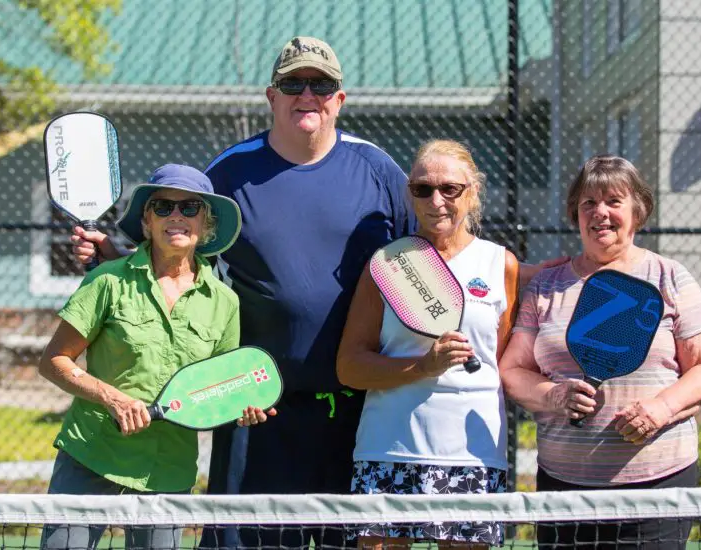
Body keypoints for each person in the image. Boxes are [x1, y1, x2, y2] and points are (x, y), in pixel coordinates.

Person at [69, 37, 564, 549]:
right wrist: (115, 257)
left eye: (322, 84)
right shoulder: (229, 173)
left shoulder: (379, 171)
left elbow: (440, 256)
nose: (308, 94)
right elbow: (176, 252)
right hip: (256, 413)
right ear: (271, 96)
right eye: (293, 83)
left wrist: (543, 275)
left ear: (340, 99)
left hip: (355, 417)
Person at [38, 164, 272, 550]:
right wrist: (113, 398)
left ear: (206, 225)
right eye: (162, 207)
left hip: (168, 469)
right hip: (92, 455)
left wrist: (241, 407)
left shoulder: (225, 303)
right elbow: (54, 362)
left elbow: (222, 386)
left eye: (189, 208)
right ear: (146, 222)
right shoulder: (107, 280)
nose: (176, 216)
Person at [499, 155, 701, 550]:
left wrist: (661, 409)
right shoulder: (547, 286)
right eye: (588, 202)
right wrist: (553, 395)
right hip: (563, 488)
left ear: (637, 211)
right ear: (575, 213)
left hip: (658, 484)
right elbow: (514, 370)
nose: (600, 212)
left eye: (613, 201)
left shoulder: (669, 276)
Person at [336, 140, 519, 549]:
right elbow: (349, 366)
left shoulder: (500, 264)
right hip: (389, 449)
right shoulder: (384, 264)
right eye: (422, 188)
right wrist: (421, 367)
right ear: (410, 195)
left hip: (472, 456)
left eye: (450, 188)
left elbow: (498, 359)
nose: (436, 200)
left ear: (472, 193)